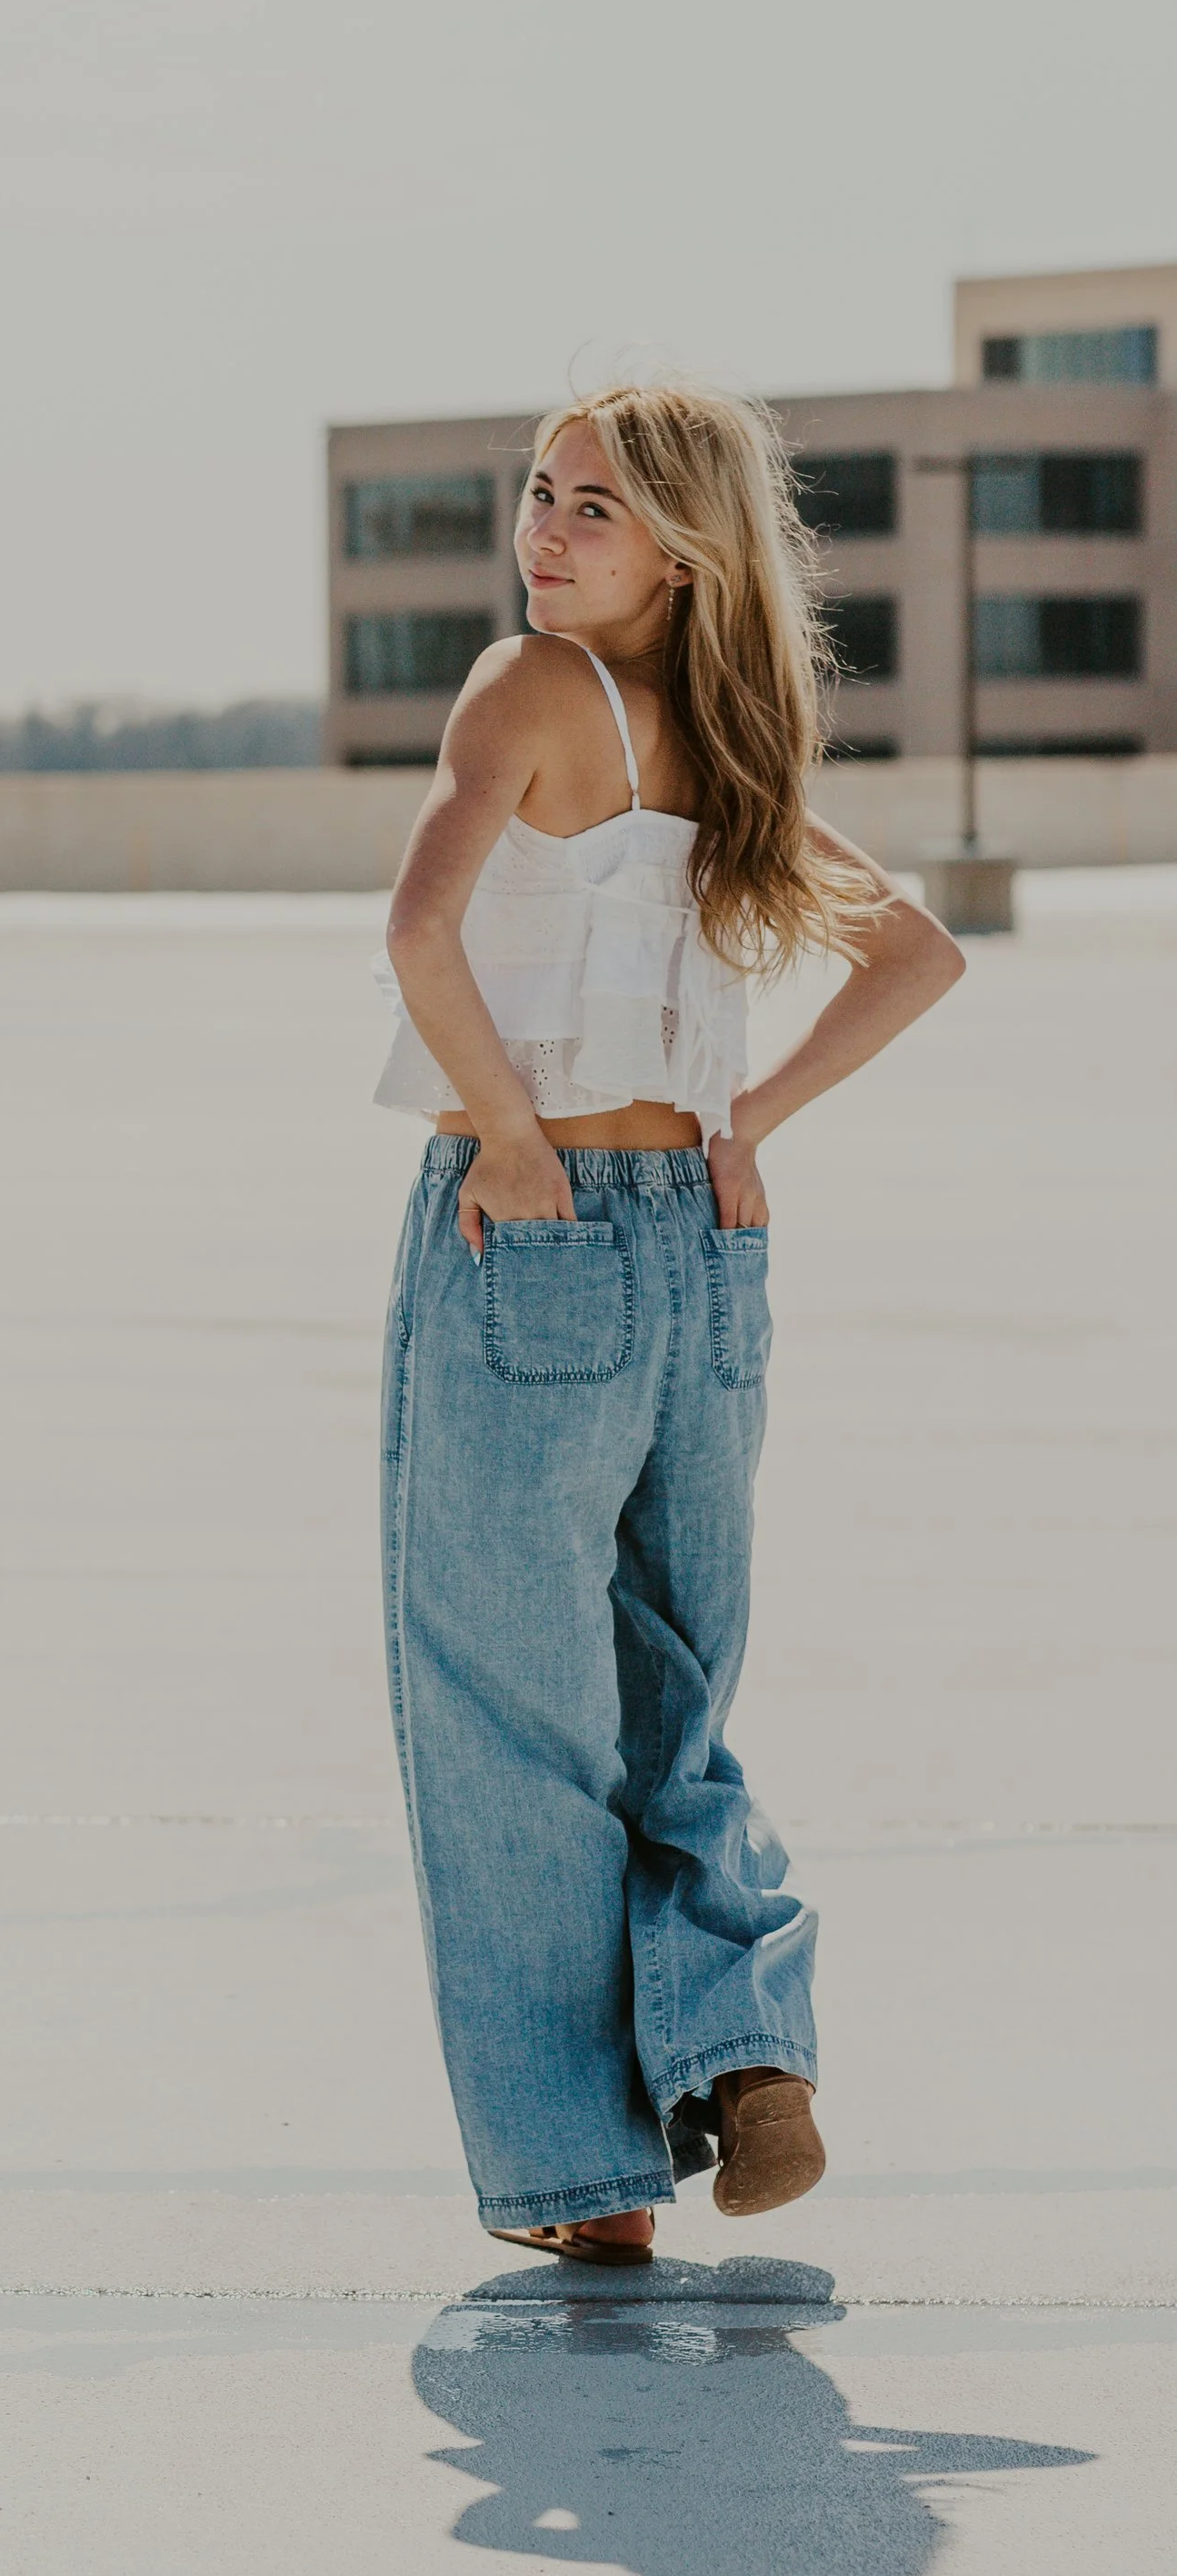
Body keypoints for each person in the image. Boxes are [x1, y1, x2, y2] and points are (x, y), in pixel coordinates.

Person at [376, 382, 964, 2268]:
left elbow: (417, 932)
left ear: (680, 547)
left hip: (535, 1233)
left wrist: (507, 1138)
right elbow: (916, 952)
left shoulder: (521, 693)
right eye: (536, 498)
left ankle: (588, 2179)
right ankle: (738, 2041)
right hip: (703, 1256)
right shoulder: (731, 738)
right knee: (665, 1691)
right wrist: (746, 1122)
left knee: (505, 1720)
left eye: (591, 512)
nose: (541, 537)